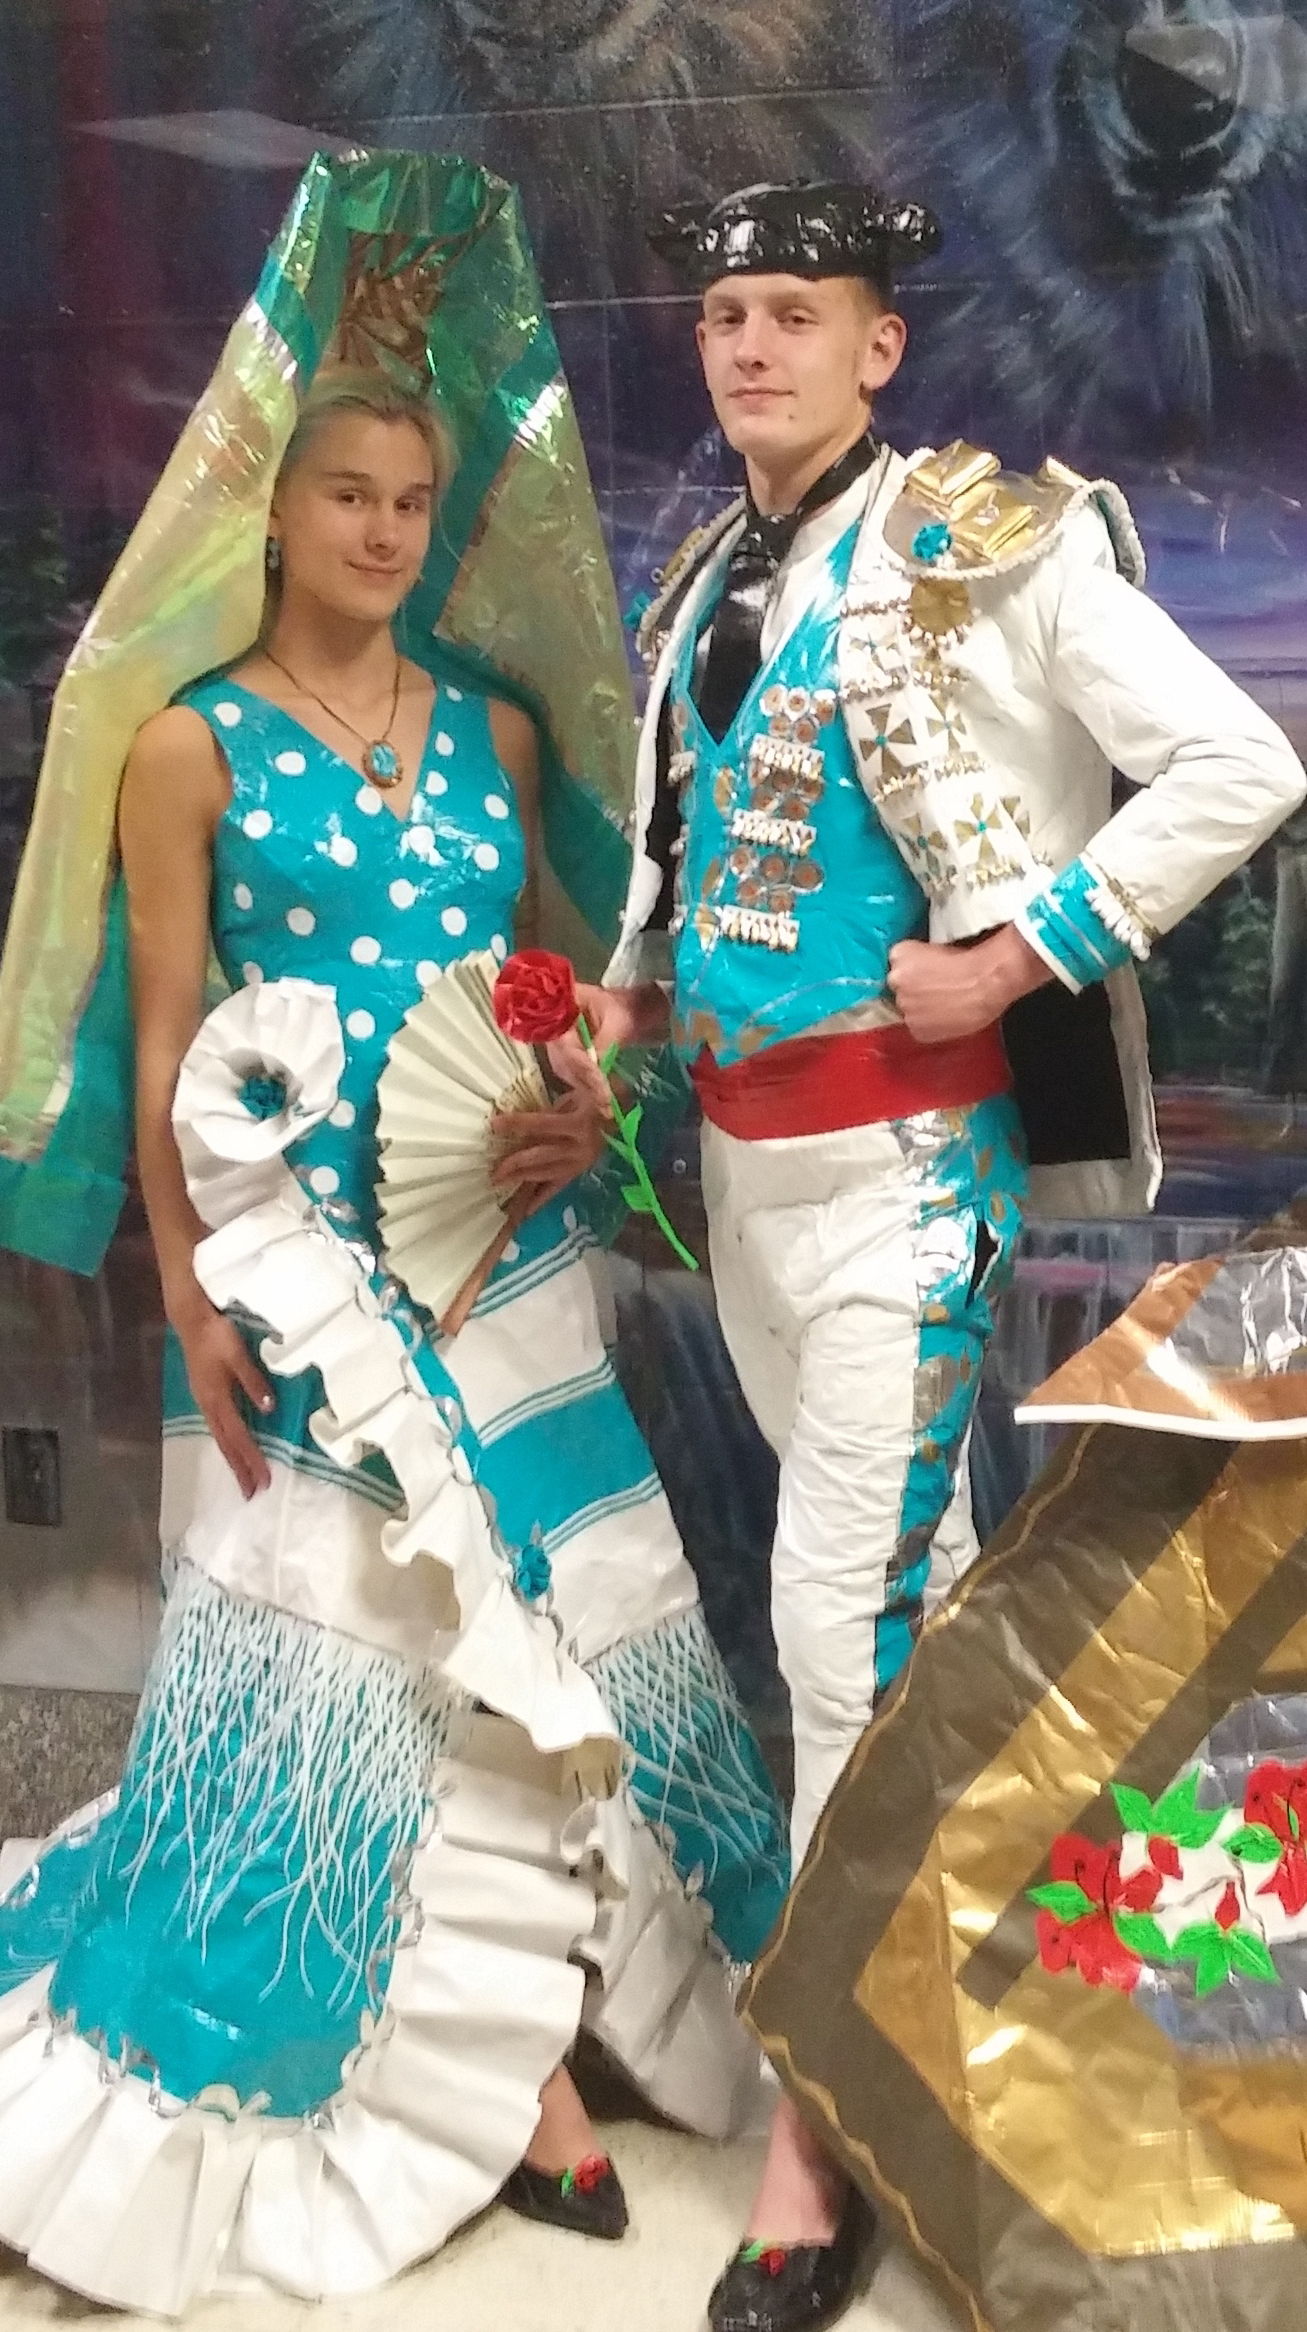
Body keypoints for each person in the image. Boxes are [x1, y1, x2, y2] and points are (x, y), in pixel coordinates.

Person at [0, 154, 787, 2314]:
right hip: (301, 1276)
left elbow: (562, 988)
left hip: (504, 1266)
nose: (384, 532)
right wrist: (194, 1295)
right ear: (270, 511)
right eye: (347, 496)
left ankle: (579, 2001)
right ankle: (485, 2079)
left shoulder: (505, 733)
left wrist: (579, 1101)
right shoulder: (183, 750)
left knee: (571, 1614)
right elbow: (160, 1048)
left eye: (414, 500)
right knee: (370, 1646)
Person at [564, 178, 1307, 2332]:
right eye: (724, 313)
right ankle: (997, 2040)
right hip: (744, 1177)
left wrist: (1018, 951)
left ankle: (819, 2145)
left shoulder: (998, 542)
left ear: (878, 346)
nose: (749, 347)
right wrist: (620, 999)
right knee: (914, 1626)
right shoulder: (706, 571)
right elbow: (697, 840)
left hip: (906, 1173)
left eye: (792, 312)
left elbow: (1242, 760)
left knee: (834, 1634)